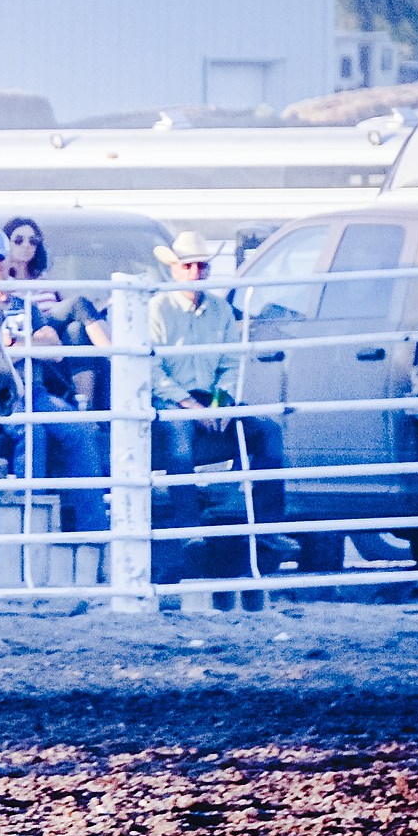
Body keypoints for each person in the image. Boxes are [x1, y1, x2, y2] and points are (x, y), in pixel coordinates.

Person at [149, 232, 284, 602]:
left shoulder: (220, 310)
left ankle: (266, 523)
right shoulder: (158, 308)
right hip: (171, 403)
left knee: (268, 432)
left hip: (210, 399)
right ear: (175, 269)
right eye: (188, 265)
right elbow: (152, 368)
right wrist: (187, 404)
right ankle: (191, 526)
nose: (196, 271)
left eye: (201, 265)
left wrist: (219, 402)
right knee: (179, 439)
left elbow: (229, 363)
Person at [0, 222, 109, 534]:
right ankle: (33, 534)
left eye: (0, 259)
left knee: (80, 431)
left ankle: (94, 532)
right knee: (33, 435)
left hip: (36, 391)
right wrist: (25, 347)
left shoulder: (24, 304)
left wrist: (14, 346)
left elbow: (55, 350)